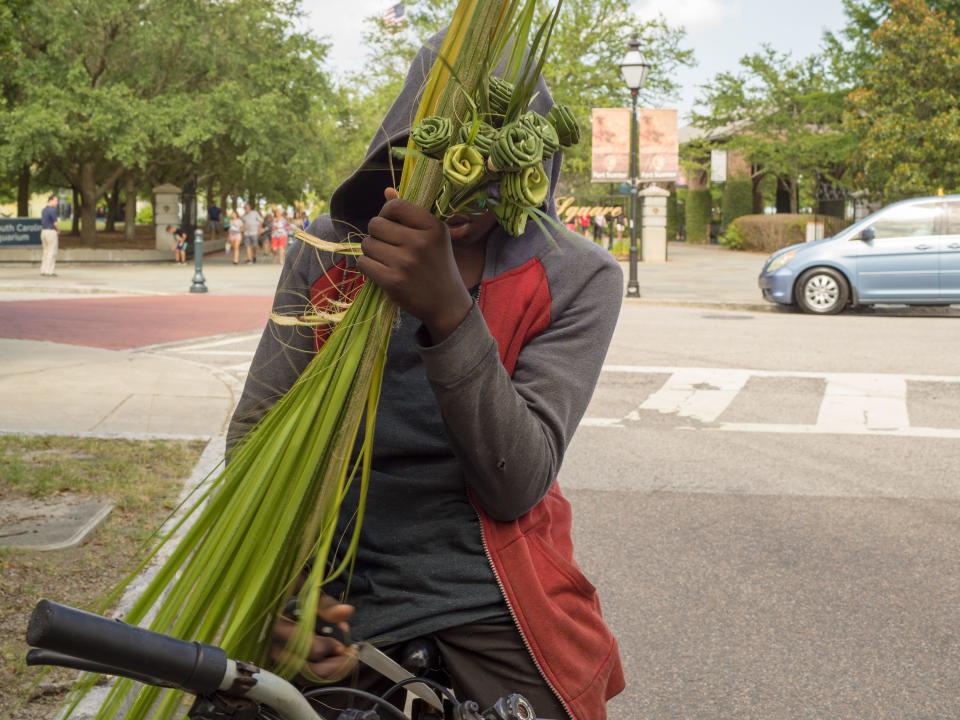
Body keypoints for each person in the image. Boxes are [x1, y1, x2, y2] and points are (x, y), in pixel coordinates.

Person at [228, 37, 624, 720]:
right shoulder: (328, 251)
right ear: (400, 153)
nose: (465, 186)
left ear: (532, 169)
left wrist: (447, 310)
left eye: (495, 166)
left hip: (492, 598)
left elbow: (516, 483)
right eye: (440, 158)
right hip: (337, 587)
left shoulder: (578, 276)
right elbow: (258, 438)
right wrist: (281, 591)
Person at [39, 195, 59, 277]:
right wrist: (58, 230)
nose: (57, 203)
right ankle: (49, 271)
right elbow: (55, 223)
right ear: (51, 200)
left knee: (45, 251)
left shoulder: (44, 210)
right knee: (52, 252)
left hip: (43, 231)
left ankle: (43, 270)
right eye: (56, 200)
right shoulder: (53, 210)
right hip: (51, 232)